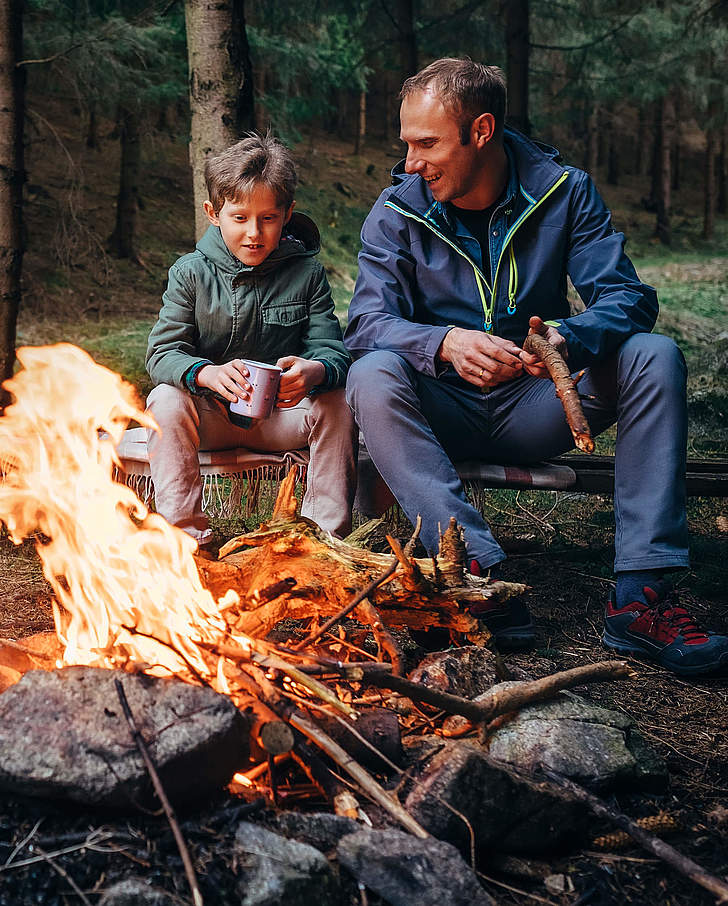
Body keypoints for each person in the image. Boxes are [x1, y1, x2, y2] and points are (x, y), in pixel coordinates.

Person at [345, 57, 728, 675]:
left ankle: (641, 599)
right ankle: (477, 573)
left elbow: (629, 298)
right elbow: (365, 324)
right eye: (407, 144)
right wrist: (444, 343)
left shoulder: (564, 190)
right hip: (439, 408)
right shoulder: (396, 212)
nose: (410, 162)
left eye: (426, 143)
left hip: (537, 404)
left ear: (482, 130)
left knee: (654, 356)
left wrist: (565, 339)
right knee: (370, 373)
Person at [145, 133, 357, 549]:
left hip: (282, 418)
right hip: (210, 419)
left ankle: (322, 540)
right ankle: (186, 541)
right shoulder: (190, 273)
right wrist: (205, 374)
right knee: (165, 400)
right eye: (239, 218)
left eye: (268, 219)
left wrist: (314, 370)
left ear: (288, 213)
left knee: (337, 401)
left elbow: (333, 352)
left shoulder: (306, 274)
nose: (254, 234)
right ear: (213, 213)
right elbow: (161, 353)